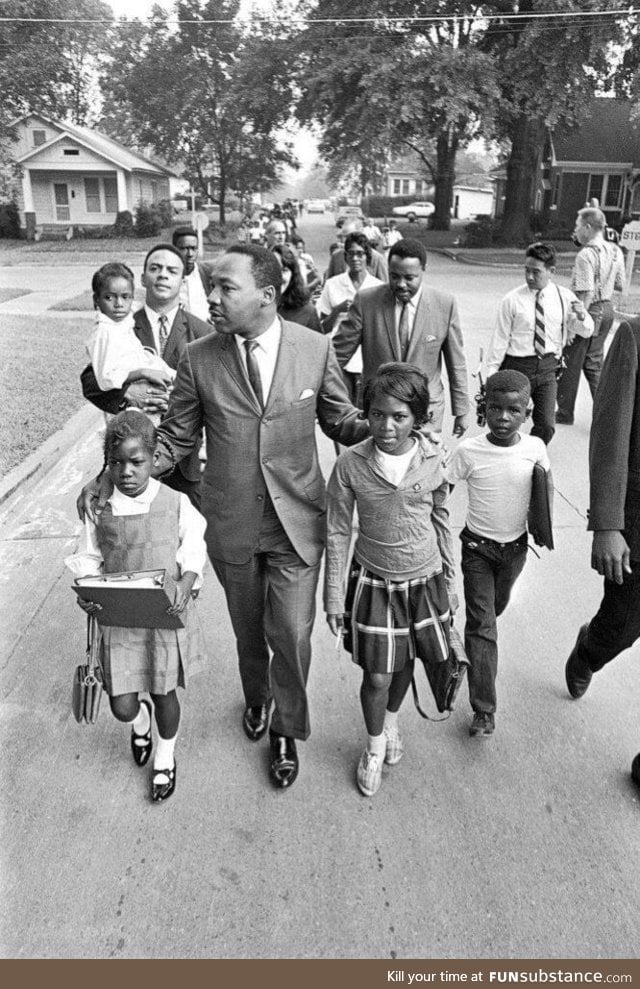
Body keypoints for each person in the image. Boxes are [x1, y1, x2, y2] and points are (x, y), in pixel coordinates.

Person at [78, 244, 368, 791]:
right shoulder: (200, 356)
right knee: (248, 632)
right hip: (232, 519)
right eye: (210, 287)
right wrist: (112, 473)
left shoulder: (313, 348)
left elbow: (339, 418)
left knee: (293, 633)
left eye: (225, 287)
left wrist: (380, 429)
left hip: (296, 521)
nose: (211, 296)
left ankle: (285, 728)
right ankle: (255, 696)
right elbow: (176, 437)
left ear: (267, 293)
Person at [324, 363, 456, 797]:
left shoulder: (435, 457)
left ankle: (393, 723)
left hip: (424, 579)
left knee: (407, 661)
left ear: (417, 419)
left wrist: (450, 582)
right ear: (366, 413)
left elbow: (441, 520)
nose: (386, 426)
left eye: (399, 417)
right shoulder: (350, 464)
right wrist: (332, 598)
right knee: (377, 675)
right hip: (374, 579)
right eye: (377, 414)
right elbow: (339, 530)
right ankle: (375, 744)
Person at [66, 410, 207, 803]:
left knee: (164, 693)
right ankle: (138, 722)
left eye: (137, 462)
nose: (126, 471)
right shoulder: (100, 508)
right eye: (116, 463)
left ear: (154, 457)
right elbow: (88, 558)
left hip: (163, 615)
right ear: (107, 464)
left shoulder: (176, 503)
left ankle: (165, 756)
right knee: (121, 702)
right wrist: (88, 594)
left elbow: (194, 548)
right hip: (121, 618)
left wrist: (187, 580)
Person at [446, 370, 550, 737]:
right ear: (483, 408)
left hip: (516, 550)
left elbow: (543, 492)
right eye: (494, 408)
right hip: (477, 549)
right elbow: (441, 490)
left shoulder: (535, 448)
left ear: (527, 412)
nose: (503, 418)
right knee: (483, 625)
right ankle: (484, 709)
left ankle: (477, 643)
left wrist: (543, 526)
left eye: (513, 410)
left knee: (494, 609)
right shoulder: (469, 451)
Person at [563, 315, 640, 787]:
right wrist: (607, 524)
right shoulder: (634, 335)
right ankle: (589, 649)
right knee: (623, 625)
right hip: (637, 524)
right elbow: (610, 433)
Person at [81, 243, 211, 506]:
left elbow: (214, 392)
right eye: (155, 268)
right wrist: (127, 394)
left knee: (193, 535)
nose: (163, 275)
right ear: (142, 278)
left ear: (182, 281)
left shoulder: (203, 333)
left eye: (171, 270)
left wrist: (177, 403)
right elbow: (91, 381)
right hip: (130, 460)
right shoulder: (120, 325)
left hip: (185, 461)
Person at [333, 238, 470, 436]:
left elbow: (456, 362)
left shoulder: (444, 304)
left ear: (424, 269)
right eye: (394, 276)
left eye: (409, 278)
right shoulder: (366, 301)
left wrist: (462, 411)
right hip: (380, 413)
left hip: (426, 412)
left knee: (422, 464)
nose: (401, 284)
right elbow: (338, 356)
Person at [484, 242, 593, 445]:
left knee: (546, 425)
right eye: (527, 271)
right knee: (507, 423)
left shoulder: (564, 297)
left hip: (547, 368)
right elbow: (499, 340)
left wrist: (581, 315)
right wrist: (490, 377)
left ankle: (531, 454)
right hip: (517, 366)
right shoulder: (512, 300)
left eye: (536, 272)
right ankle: (506, 456)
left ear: (551, 271)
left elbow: (587, 331)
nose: (530, 277)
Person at [556, 206, 625, 425]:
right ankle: (609, 413)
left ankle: (565, 412)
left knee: (571, 360)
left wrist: (574, 324)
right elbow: (620, 284)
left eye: (577, 226)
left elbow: (584, 294)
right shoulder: (615, 250)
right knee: (594, 362)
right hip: (607, 310)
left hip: (590, 309)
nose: (575, 231)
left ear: (587, 227)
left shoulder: (585, 255)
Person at [86, 262, 176, 421]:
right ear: (96, 300)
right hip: (132, 403)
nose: (119, 304)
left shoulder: (123, 323)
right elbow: (106, 379)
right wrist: (143, 372)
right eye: (109, 297)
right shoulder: (104, 332)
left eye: (125, 297)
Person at [316, 231, 384, 403]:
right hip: (340, 362)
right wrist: (337, 310)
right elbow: (321, 328)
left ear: (367, 256)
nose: (355, 259)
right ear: (345, 257)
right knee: (343, 413)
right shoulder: (333, 285)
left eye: (360, 254)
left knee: (367, 413)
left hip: (369, 362)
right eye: (351, 254)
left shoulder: (378, 288)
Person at [272, 244, 322, 332]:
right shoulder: (253, 307)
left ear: (293, 274)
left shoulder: (306, 311)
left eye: (284, 270)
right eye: (274, 270)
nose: (280, 277)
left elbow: (318, 343)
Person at [172, 227, 211, 323]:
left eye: (194, 249)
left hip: (207, 332)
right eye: (184, 249)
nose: (190, 254)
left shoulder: (207, 273)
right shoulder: (167, 277)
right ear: (174, 249)